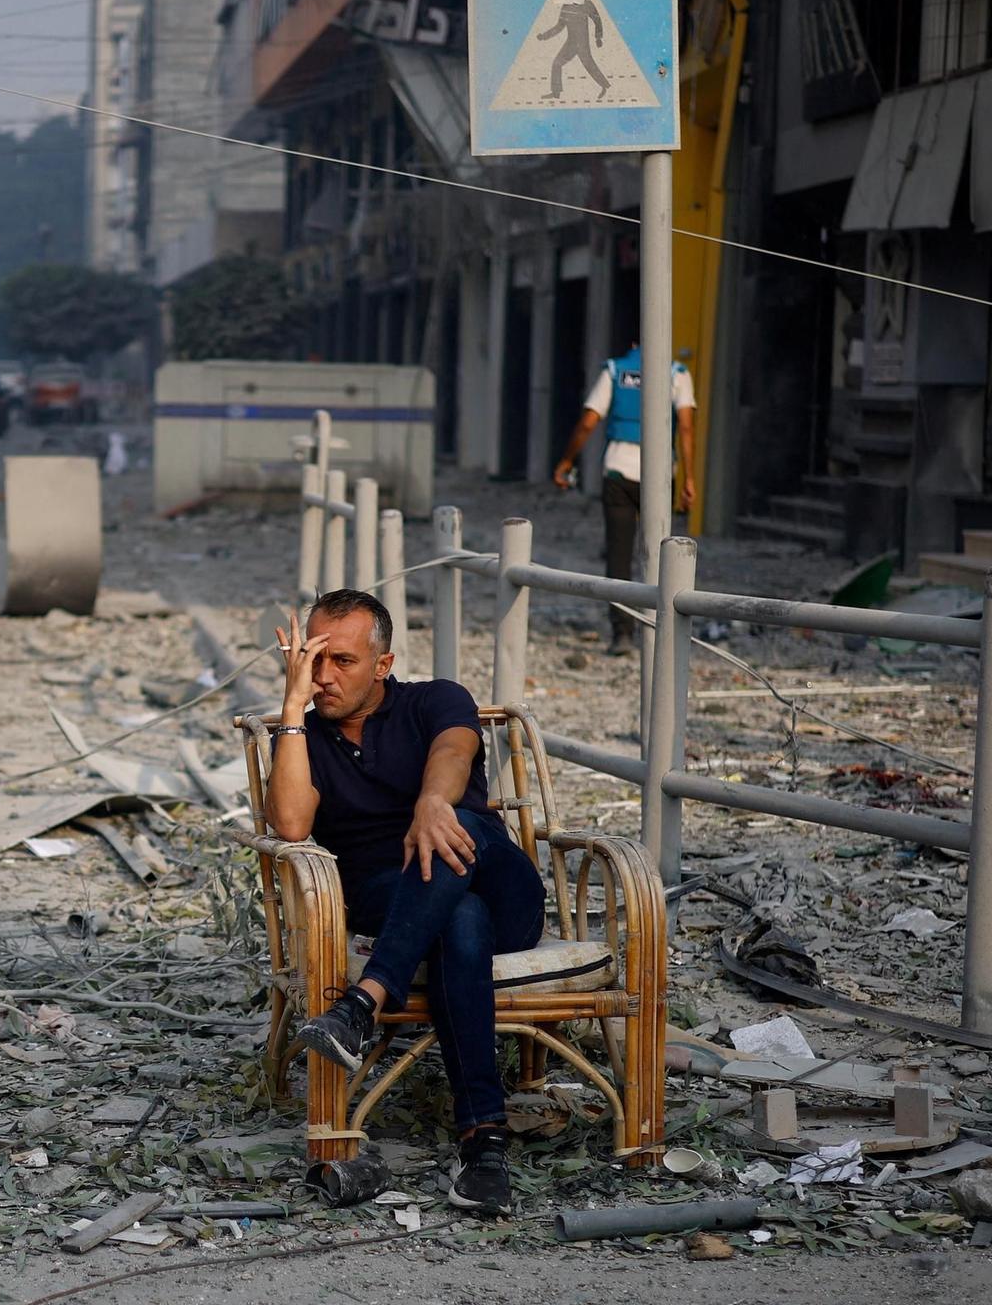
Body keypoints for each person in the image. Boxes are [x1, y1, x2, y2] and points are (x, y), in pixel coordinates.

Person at [268, 590, 545, 1214]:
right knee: (457, 917)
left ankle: (364, 1004)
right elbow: (289, 824)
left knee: (459, 836)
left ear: (383, 665)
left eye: (342, 661)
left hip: (501, 886)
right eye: (313, 660)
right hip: (398, 903)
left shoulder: (435, 698)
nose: (324, 676)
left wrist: (432, 803)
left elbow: (454, 751)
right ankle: (484, 1145)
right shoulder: (306, 735)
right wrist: (291, 708)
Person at [551, 344, 697, 655]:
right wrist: (689, 478)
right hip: (659, 478)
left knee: (619, 555)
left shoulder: (614, 371)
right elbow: (685, 426)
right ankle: (661, 632)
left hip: (619, 472)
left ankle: (622, 634)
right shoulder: (677, 374)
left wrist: (566, 460)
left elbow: (589, 421)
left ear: (632, 346)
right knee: (659, 555)